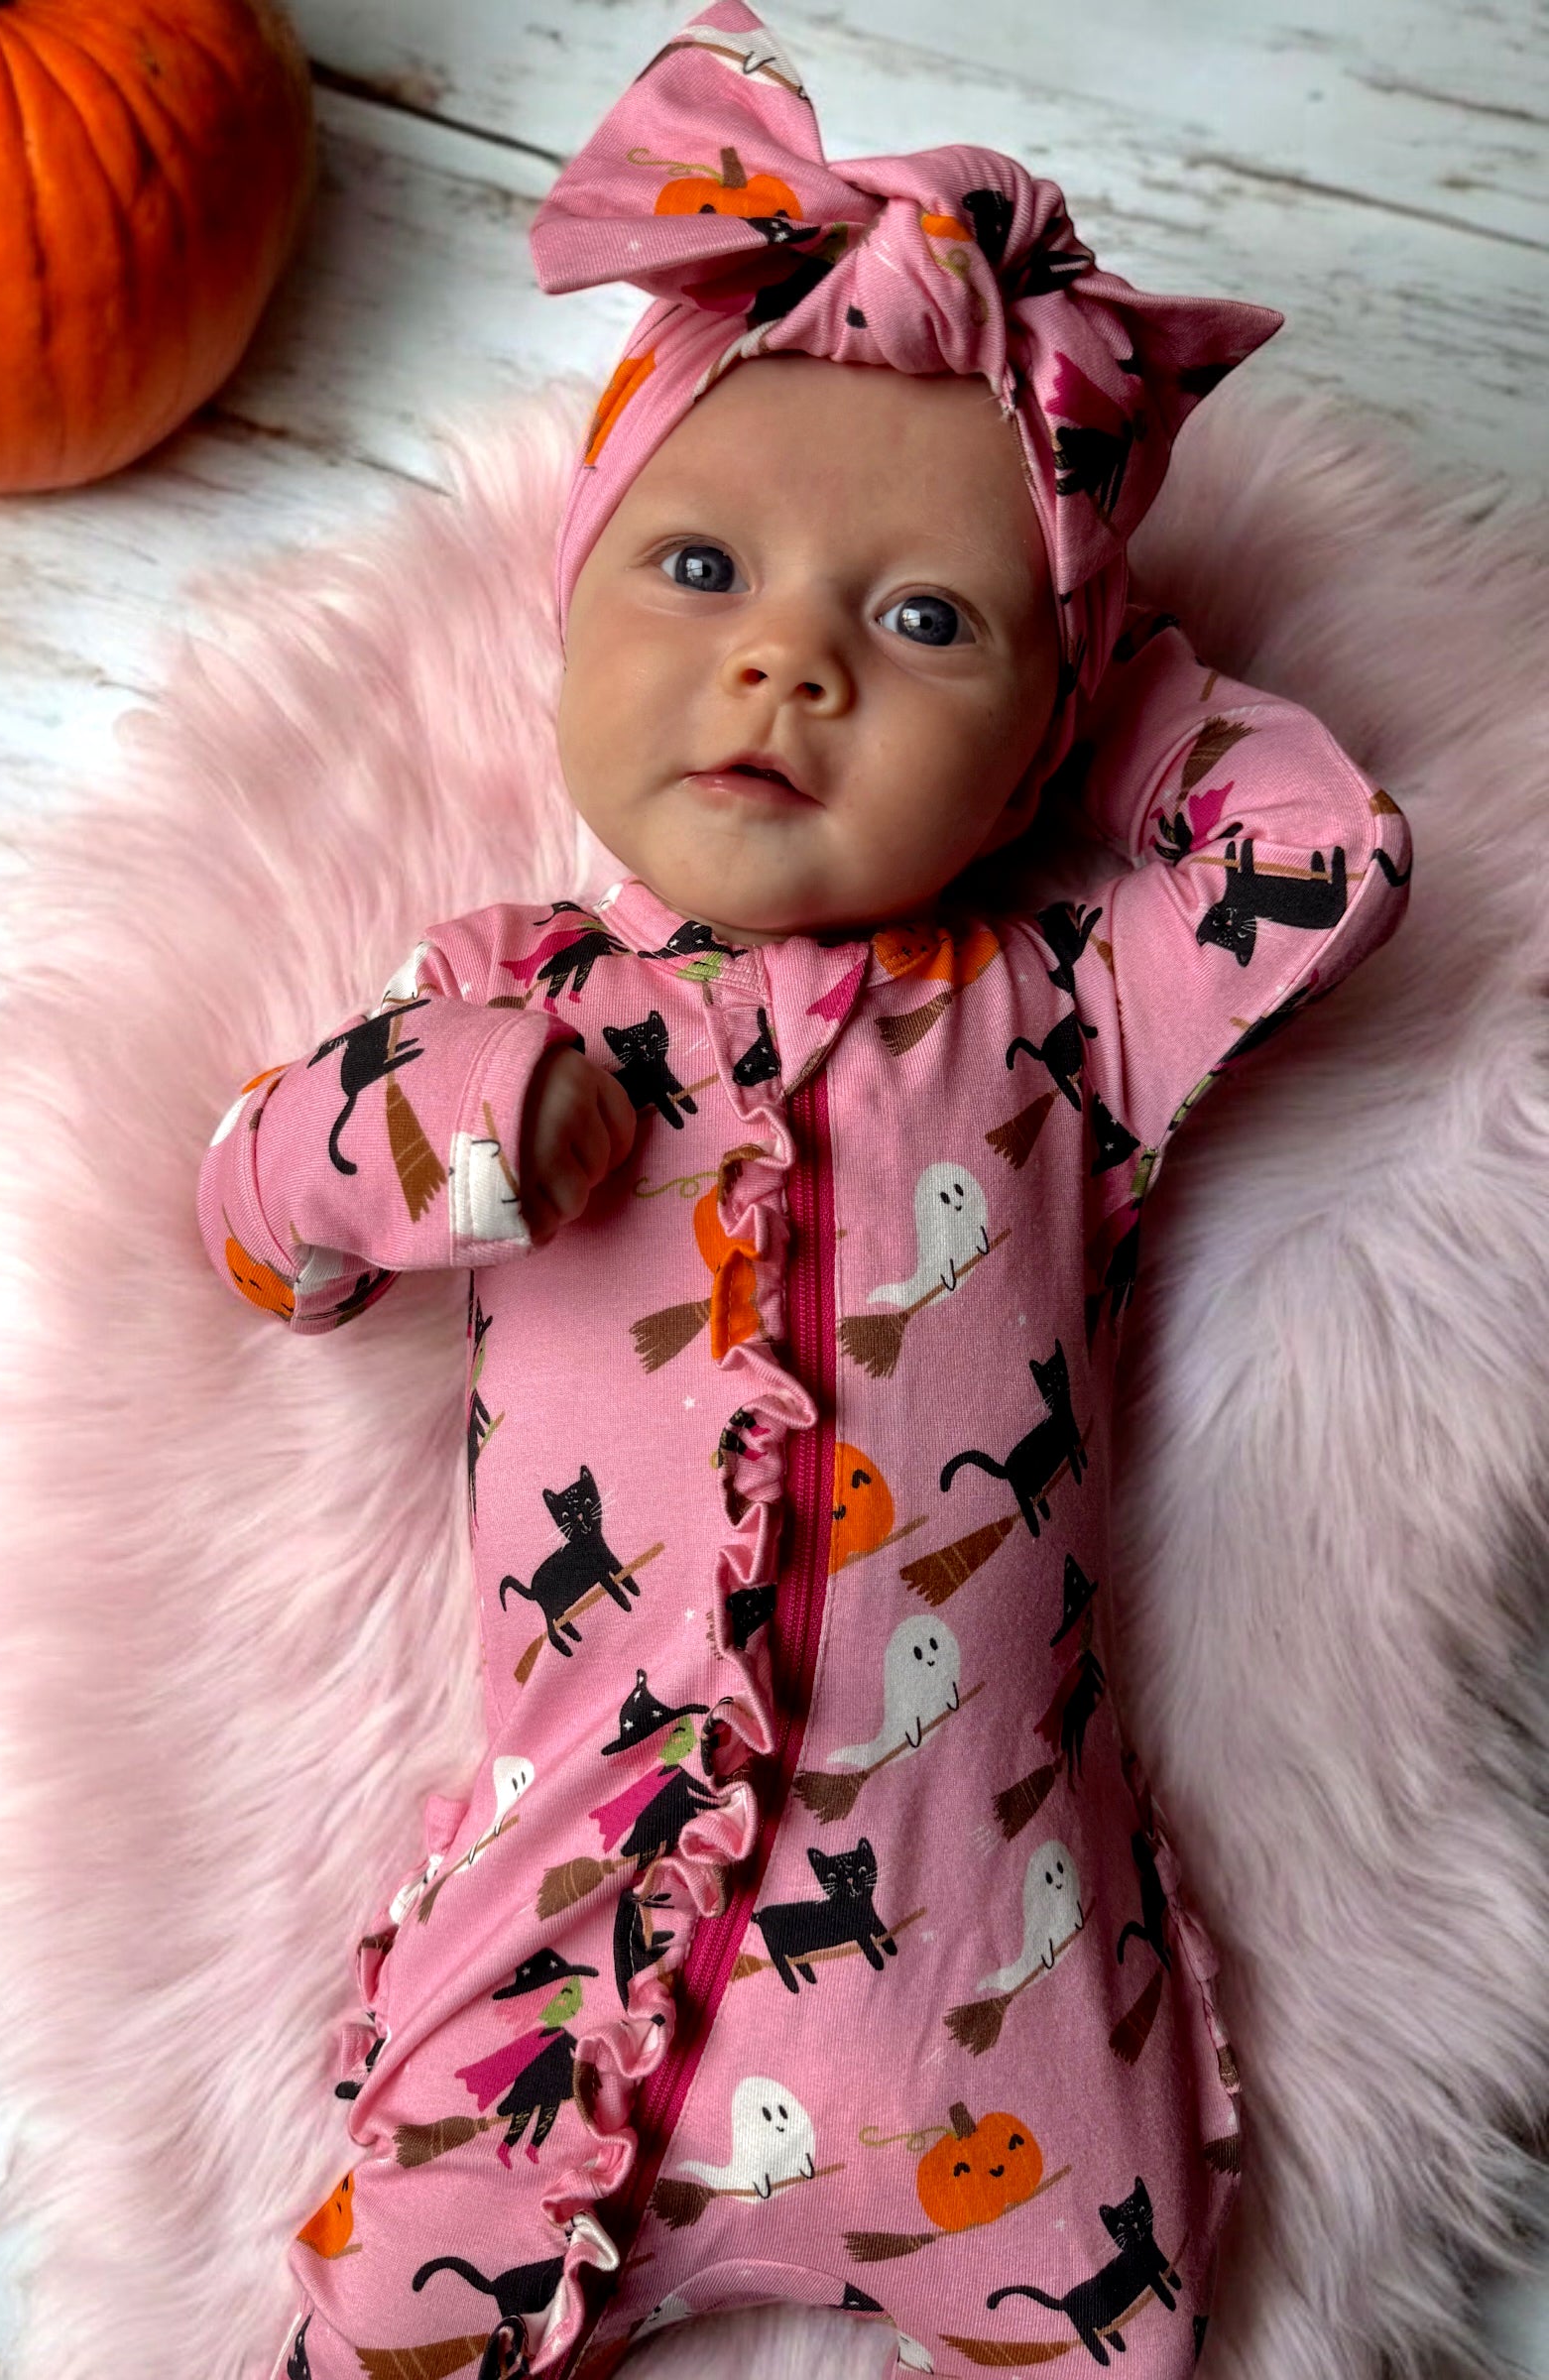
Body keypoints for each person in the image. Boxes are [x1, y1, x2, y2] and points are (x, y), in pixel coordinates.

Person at [199, 8, 1413, 2377]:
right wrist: (451, 1118)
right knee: (366, 2306)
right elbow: (256, 1219)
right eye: (698, 566)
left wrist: (1100, 648)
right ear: (572, 629)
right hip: (564, 1974)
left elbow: (1325, 853)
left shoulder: (1076, 1013)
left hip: (989, 1982)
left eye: (922, 620)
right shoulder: (519, 995)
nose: (789, 656)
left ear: (1046, 727)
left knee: (1120, 2308)